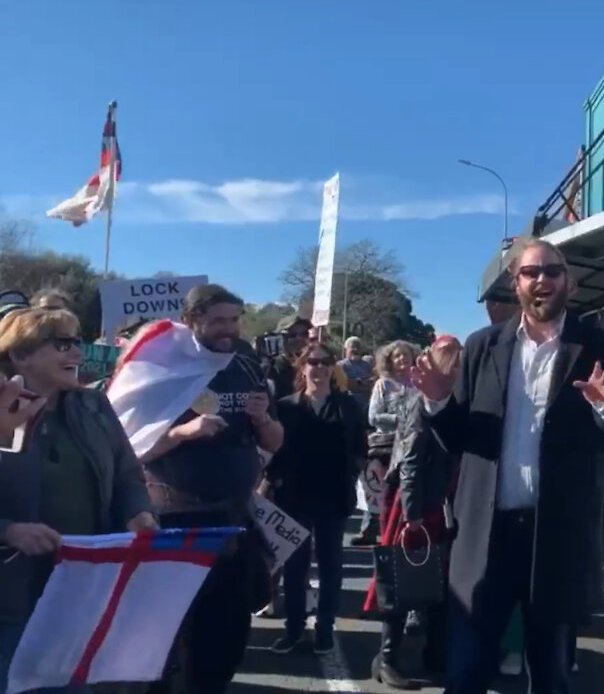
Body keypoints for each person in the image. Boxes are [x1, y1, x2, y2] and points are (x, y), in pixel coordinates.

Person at [410, 238, 604, 694]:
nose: (542, 280)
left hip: (556, 536)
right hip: (486, 535)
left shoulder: (598, 347)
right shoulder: (481, 346)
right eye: (531, 273)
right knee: (467, 669)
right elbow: (461, 439)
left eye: (552, 271)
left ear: (568, 281)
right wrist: (436, 400)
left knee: (550, 672)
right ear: (517, 283)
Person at [0, 307, 156, 692]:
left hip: (84, 586)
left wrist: (137, 510)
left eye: (77, 342)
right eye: (62, 343)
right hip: (13, 595)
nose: (76, 353)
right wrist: (9, 530)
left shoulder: (93, 405)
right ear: (20, 356)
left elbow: (126, 472)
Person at [140, 284, 283, 694]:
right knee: (164, 642)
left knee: (226, 637)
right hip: (175, 523)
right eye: (218, 320)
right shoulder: (164, 368)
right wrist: (184, 432)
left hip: (234, 522)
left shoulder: (246, 366)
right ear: (192, 321)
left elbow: (275, 442)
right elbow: (129, 446)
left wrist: (263, 422)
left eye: (234, 320)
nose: (229, 329)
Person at [365, 335, 462, 689]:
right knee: (401, 582)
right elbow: (409, 462)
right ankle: (387, 658)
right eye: (447, 360)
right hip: (416, 506)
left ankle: (435, 655)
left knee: (439, 583)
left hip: (439, 504)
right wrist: (412, 513)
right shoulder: (415, 401)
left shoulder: (454, 400)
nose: (454, 367)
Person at [265, 342, 366, 655]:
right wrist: (274, 481)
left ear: (333, 367)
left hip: (334, 497)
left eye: (325, 362)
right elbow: (275, 451)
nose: (319, 368)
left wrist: (351, 474)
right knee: (295, 567)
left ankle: (325, 629)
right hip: (294, 497)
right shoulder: (285, 406)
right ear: (302, 367)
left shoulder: (349, 406)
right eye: (313, 362)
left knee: (330, 565)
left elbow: (360, 447)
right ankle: (293, 629)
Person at [358, 340, 421, 547]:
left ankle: (402, 536)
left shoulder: (419, 383)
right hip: (386, 447)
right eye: (397, 356)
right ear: (389, 361)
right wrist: (401, 420)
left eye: (405, 354)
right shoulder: (383, 384)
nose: (402, 359)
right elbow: (373, 416)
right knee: (381, 494)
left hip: (412, 446)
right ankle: (374, 532)